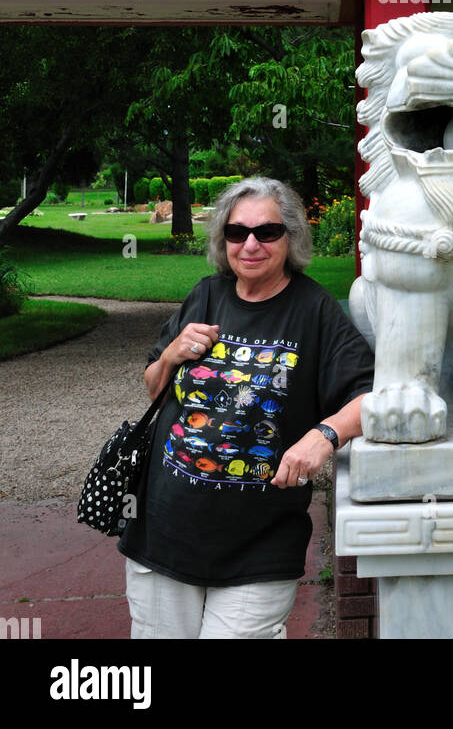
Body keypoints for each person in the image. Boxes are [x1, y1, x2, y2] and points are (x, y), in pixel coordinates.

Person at [119, 176, 374, 639]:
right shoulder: (206, 295)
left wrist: (324, 436)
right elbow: (155, 388)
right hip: (164, 527)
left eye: (267, 232)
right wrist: (173, 351)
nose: (250, 244)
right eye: (237, 233)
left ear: (290, 237)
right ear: (224, 240)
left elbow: (370, 394)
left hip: (260, 541)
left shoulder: (314, 311)